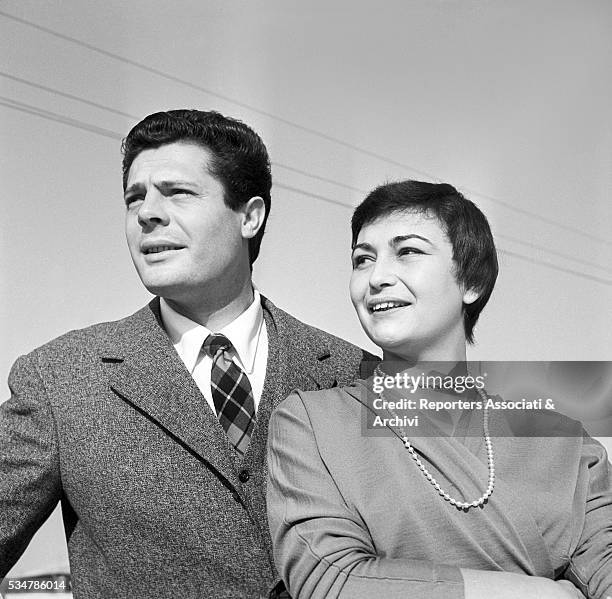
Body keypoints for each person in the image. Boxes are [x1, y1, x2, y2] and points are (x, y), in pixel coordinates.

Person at [0, 109, 375, 598]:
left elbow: (495, 445)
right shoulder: (60, 378)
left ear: (250, 215)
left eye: (177, 192)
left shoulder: (357, 372)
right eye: (134, 197)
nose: (146, 213)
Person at [267, 180, 612, 599]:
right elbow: (329, 579)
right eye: (362, 259)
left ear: (471, 282)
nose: (376, 278)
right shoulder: (311, 423)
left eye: (407, 251)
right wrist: (545, 594)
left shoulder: (565, 444)